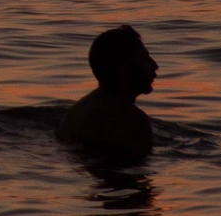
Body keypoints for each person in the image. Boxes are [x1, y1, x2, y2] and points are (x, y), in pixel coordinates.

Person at [56, 25, 158, 162]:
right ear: (124, 71)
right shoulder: (131, 120)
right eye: (144, 59)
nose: (154, 65)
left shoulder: (78, 111)